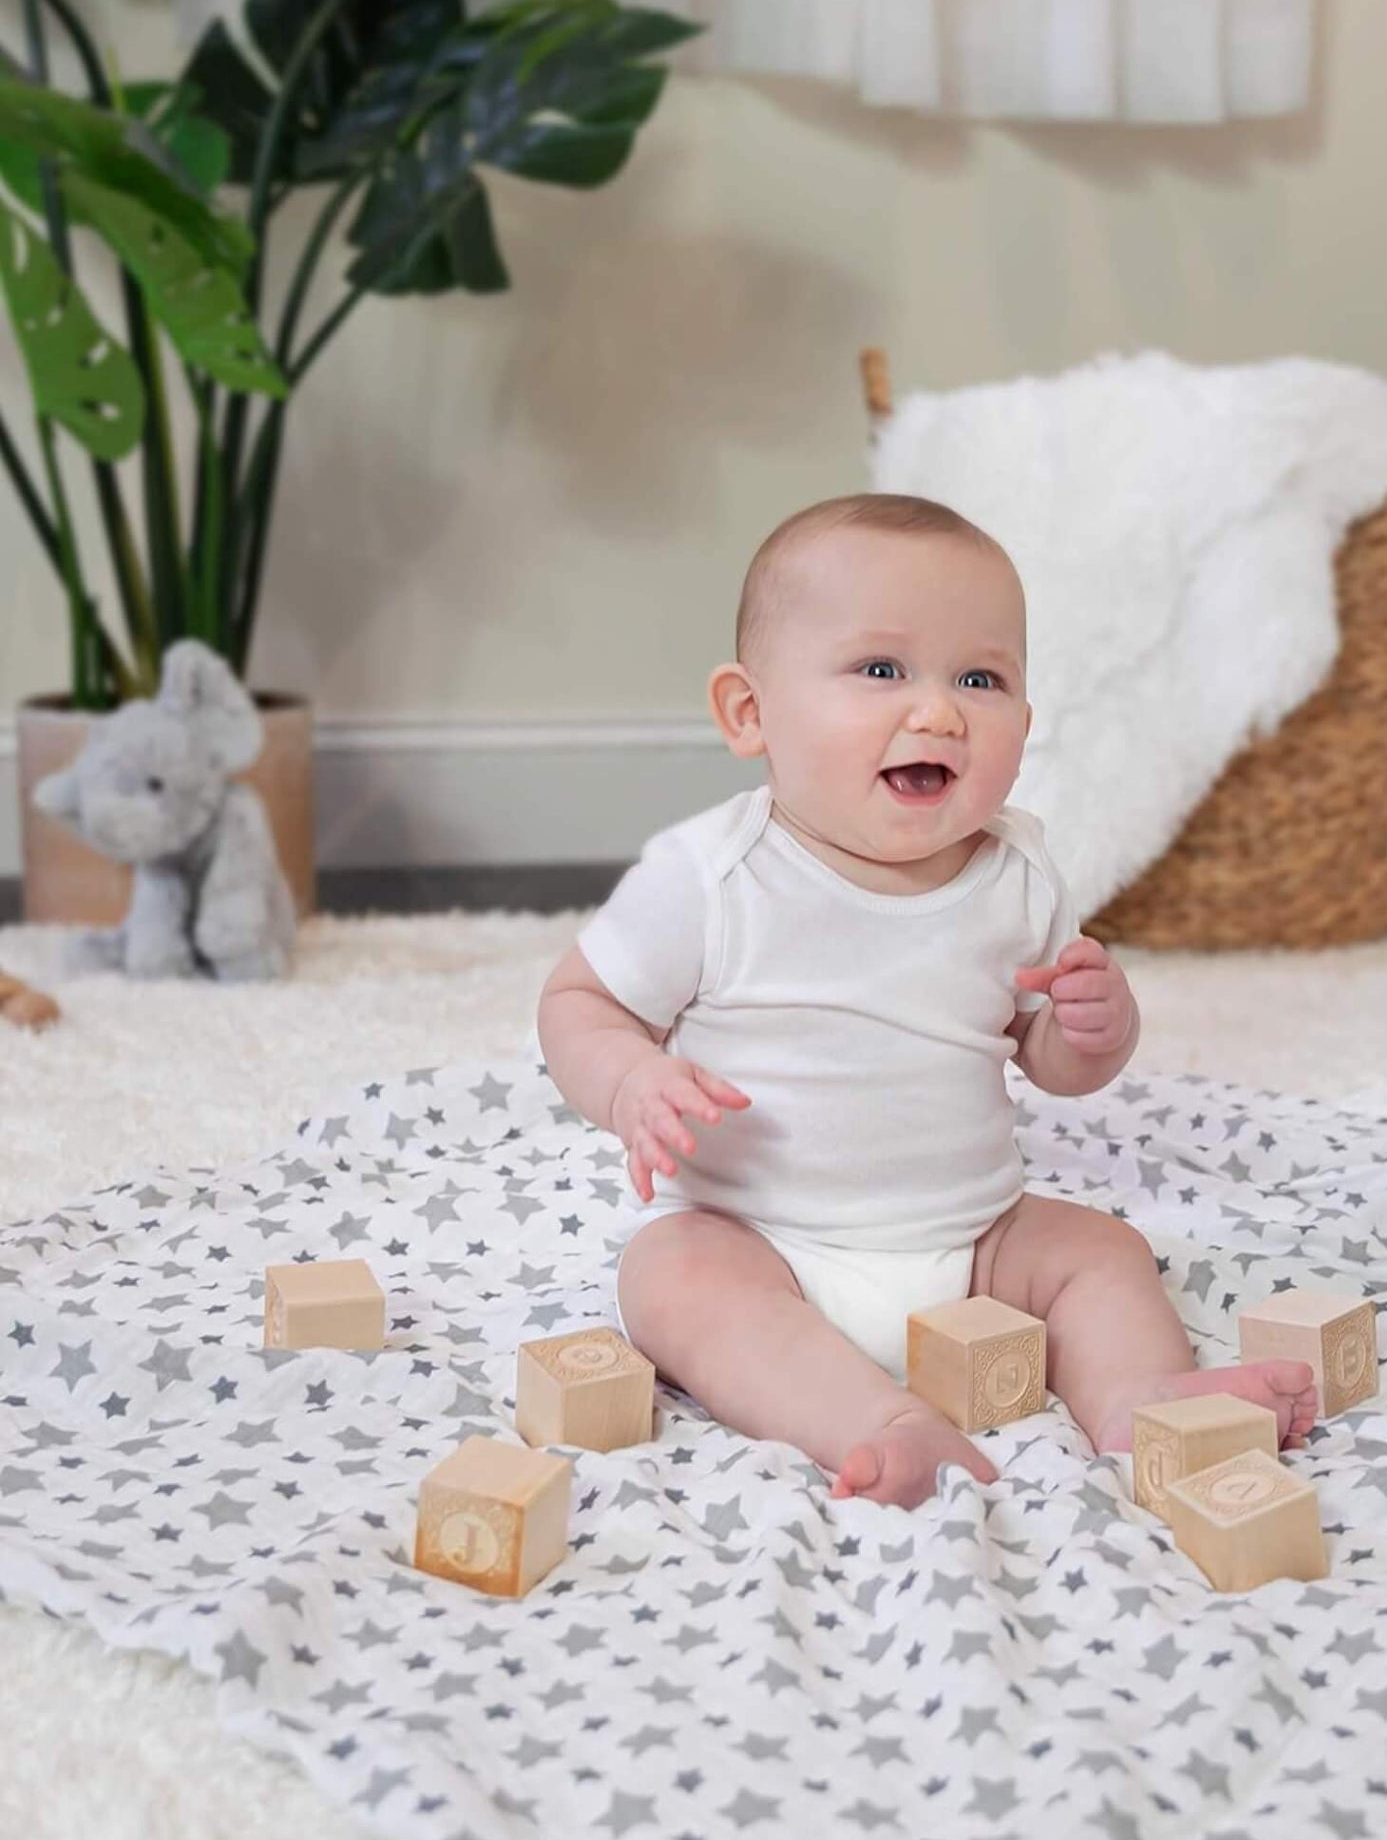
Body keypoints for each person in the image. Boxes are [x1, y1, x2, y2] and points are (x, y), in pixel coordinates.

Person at [537, 493, 1316, 1506]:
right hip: (760, 1233)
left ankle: (1142, 1401)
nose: (938, 709)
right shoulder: (712, 876)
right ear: (749, 712)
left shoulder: (1018, 874)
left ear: (1024, 723)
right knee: (668, 1278)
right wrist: (630, 1078)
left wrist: (1093, 1028)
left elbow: (1048, 1061)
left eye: (980, 678)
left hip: (975, 1237)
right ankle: (874, 1420)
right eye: (879, 670)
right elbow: (577, 1001)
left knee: (1098, 1250)